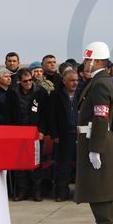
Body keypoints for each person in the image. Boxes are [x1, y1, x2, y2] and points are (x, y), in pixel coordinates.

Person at [73, 42, 113, 224]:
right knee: (99, 191)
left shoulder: (100, 84)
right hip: (96, 139)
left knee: (99, 192)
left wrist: (95, 148)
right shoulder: (99, 82)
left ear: (96, 61)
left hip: (97, 141)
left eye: (88, 59)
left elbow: (100, 116)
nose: (85, 63)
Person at [10, 68, 49, 201]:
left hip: (35, 133)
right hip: (18, 132)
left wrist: (42, 131)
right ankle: (22, 191)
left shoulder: (40, 92)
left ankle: (36, 191)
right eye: (25, 81)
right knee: (20, 163)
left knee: (36, 163)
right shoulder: (13, 93)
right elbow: (9, 114)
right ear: (19, 81)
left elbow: (45, 114)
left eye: (30, 80)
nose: (28, 83)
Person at [47, 69, 79, 201]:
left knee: (82, 165)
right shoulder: (56, 95)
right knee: (63, 166)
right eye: (72, 80)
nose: (75, 83)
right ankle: (62, 193)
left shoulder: (82, 94)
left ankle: (81, 193)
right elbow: (51, 117)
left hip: (80, 135)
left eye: (77, 80)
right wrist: (55, 135)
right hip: (63, 135)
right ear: (65, 81)